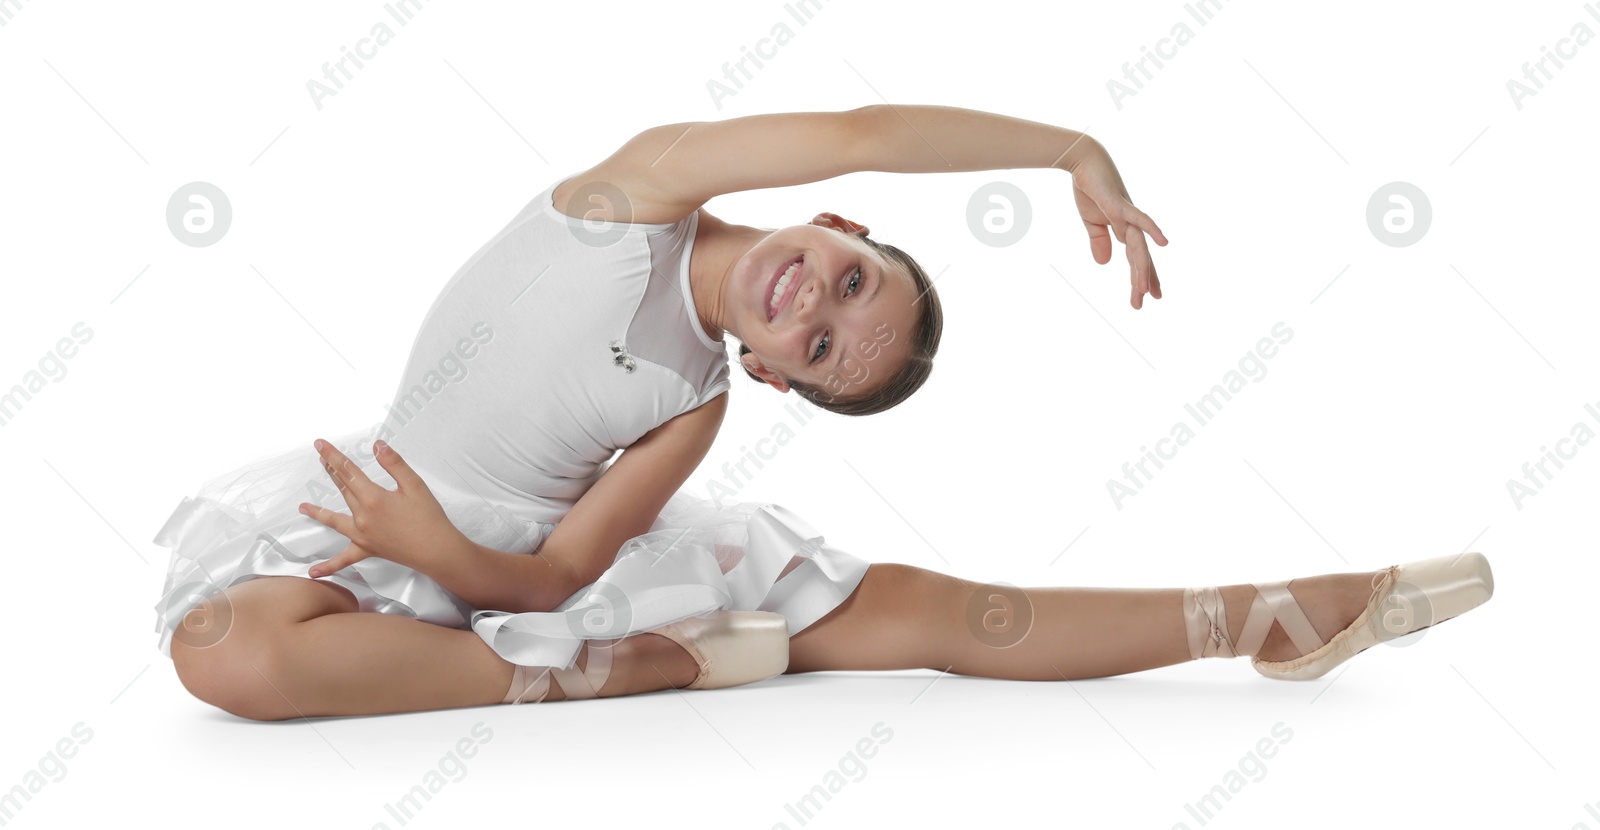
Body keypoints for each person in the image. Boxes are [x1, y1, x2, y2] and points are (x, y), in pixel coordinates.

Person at [154, 105, 1492, 721]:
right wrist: (1070, 151)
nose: (812, 303)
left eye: (821, 345)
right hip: (388, 515)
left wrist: (457, 566)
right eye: (850, 278)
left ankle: (1275, 610)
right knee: (221, 649)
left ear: (781, 376)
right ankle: (585, 674)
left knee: (933, 614)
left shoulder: (692, 403)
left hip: (512, 568)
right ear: (838, 221)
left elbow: (561, 566)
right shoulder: (636, 195)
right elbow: (871, 125)